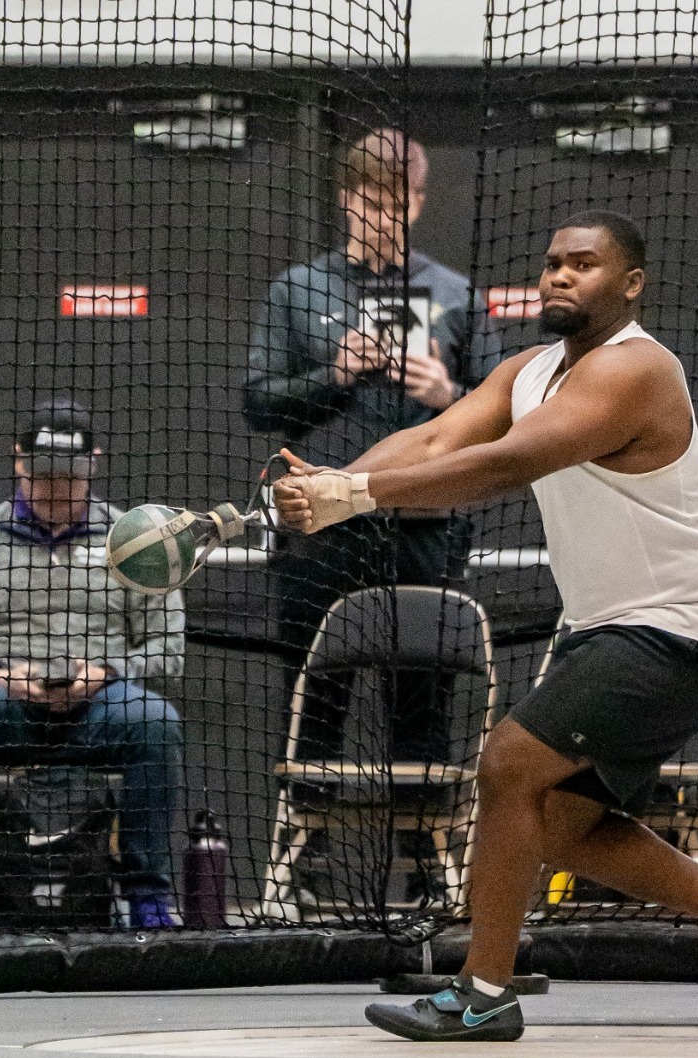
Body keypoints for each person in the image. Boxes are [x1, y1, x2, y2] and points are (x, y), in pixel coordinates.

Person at [273, 210, 698, 1043]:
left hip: (691, 617)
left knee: (509, 764)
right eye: (552, 262)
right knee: (558, 824)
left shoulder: (637, 371)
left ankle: (483, 992)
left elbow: (507, 462)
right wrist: (336, 480)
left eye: (583, 265)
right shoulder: (529, 368)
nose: (559, 276)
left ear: (630, 285)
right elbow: (441, 432)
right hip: (617, 621)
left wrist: (354, 499)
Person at [243, 128, 501, 765]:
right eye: (373, 202)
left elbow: (506, 417)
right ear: (346, 199)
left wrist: (446, 394)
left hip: (425, 524)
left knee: (423, 700)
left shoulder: (456, 294)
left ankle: (422, 860)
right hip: (320, 525)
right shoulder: (298, 289)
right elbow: (258, 404)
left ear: (418, 203)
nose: (387, 217)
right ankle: (303, 856)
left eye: (401, 203)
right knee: (314, 702)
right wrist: (333, 374)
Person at [0, 401, 185, 931]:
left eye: (69, 476)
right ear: (19, 462)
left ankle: (146, 892)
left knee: (157, 722)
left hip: (102, 703)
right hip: (4, 703)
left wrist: (104, 672)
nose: (55, 488)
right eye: (43, 474)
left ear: (95, 465)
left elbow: (167, 649)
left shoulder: (139, 542)